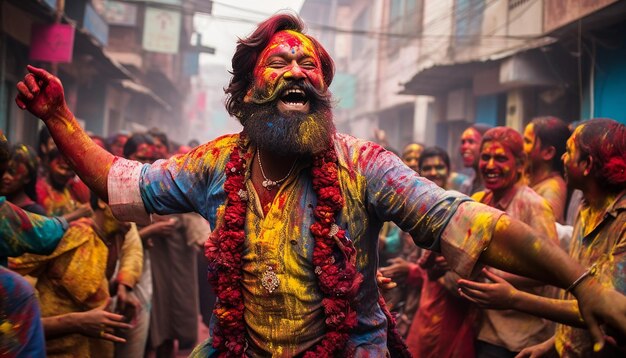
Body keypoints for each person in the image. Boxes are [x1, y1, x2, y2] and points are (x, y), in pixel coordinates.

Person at [15, 13, 626, 356]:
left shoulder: (364, 165)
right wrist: (59, 118)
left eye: (308, 65)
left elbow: (470, 224)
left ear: (322, 95)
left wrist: (579, 281)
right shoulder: (213, 164)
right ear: (248, 93)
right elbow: (123, 184)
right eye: (279, 63)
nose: (297, 72)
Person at [458, 119, 626, 357]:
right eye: (485, 158)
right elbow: (580, 294)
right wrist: (552, 344)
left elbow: (602, 308)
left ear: (587, 164)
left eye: (568, 152)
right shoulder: (586, 207)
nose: (563, 159)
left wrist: (515, 298)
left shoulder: (622, 221)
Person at [471, 127, 558, 357]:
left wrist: (497, 278)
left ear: (520, 164)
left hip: (520, 337)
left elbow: (552, 270)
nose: (490, 165)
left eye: (500, 158)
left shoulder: (534, 206)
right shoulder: (480, 200)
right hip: (483, 328)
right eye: (486, 157)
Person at [397, 146, 478, 357]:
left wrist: (415, 271)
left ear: (449, 170)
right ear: (420, 173)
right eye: (428, 168)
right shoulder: (411, 208)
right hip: (420, 303)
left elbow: (468, 266)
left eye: (439, 167)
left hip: (449, 306)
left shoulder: (460, 209)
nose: (433, 172)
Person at [522, 116, 570, 224]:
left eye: (527, 142)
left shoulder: (553, 189)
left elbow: (545, 234)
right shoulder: (528, 177)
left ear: (548, 152)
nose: (521, 147)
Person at [1, 143, 45, 214]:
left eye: (12, 172)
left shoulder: (34, 212)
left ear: (27, 178)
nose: (4, 176)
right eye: (2, 171)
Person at [460, 123, 492, 195]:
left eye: (471, 142)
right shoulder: (466, 186)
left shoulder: (494, 186)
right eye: (463, 142)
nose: (464, 147)